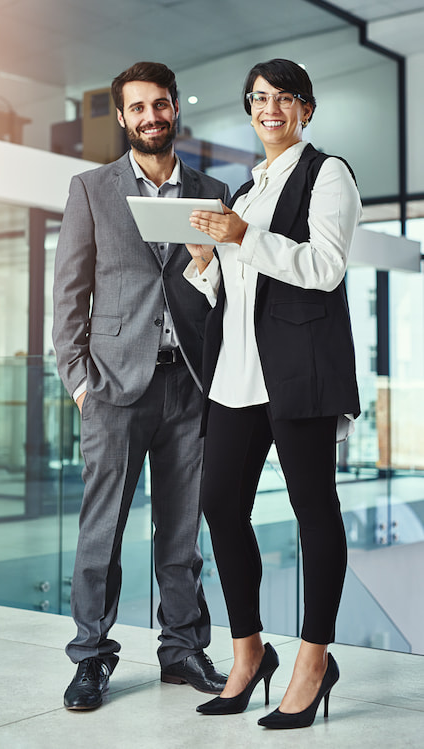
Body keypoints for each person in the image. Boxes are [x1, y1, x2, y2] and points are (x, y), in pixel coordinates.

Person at [183, 58, 361, 729]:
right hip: (237, 374)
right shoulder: (245, 187)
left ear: (306, 110)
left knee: (315, 509)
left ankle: (314, 661)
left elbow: (324, 266)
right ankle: (249, 652)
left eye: (285, 98)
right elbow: (237, 291)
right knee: (220, 505)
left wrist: (243, 236)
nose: (271, 109)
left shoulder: (327, 173)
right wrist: (207, 263)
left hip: (297, 373)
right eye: (259, 98)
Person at [52, 61, 230, 711]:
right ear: (123, 118)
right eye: (138, 108)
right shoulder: (92, 189)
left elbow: (226, 296)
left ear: (175, 108)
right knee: (101, 530)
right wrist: (78, 383)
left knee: (182, 533)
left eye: (161, 104)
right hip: (113, 389)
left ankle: (181, 648)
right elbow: (69, 297)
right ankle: (92, 656)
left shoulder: (211, 191)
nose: (151, 116)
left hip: (190, 388)